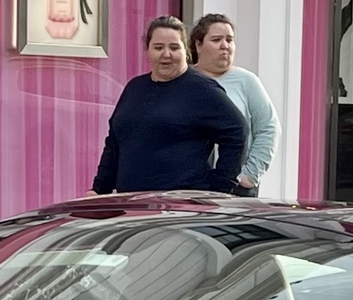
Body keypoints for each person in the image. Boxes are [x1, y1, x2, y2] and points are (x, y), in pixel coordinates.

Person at [92, 16, 245, 195]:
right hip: (131, 205)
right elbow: (114, 143)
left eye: (174, 47)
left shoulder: (202, 90)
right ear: (148, 50)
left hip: (178, 210)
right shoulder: (134, 88)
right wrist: (99, 190)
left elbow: (237, 131)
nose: (166, 54)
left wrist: (220, 188)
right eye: (158, 47)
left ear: (186, 50)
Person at [190, 14, 278, 196]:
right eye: (216, 40)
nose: (225, 46)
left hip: (234, 187)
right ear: (198, 45)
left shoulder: (247, 81)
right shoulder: (185, 81)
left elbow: (269, 128)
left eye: (229, 40)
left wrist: (250, 174)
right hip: (189, 185)